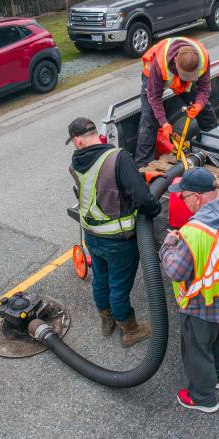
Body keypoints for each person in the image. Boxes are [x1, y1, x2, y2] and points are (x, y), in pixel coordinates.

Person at [159, 168, 219, 413]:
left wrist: (168, 245)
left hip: (202, 303)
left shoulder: (194, 232)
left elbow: (175, 271)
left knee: (197, 350)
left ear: (197, 198)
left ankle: (203, 398)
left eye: (183, 196)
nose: (181, 200)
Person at [67, 117, 160, 347]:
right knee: (119, 286)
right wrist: (155, 207)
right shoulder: (118, 158)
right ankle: (130, 330)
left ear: (78, 141)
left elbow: (100, 187)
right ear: (95, 135)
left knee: (101, 279)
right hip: (118, 241)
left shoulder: (75, 164)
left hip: (92, 235)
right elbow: (142, 199)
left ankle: (106, 320)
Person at [134, 37, 215, 168]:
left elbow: (205, 88)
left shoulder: (203, 57)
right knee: (149, 118)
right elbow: (154, 97)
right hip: (152, 76)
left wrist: (199, 105)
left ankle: (213, 141)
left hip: (180, 78)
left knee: (204, 107)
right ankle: (143, 165)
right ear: (176, 61)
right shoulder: (159, 64)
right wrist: (164, 123)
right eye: (184, 75)